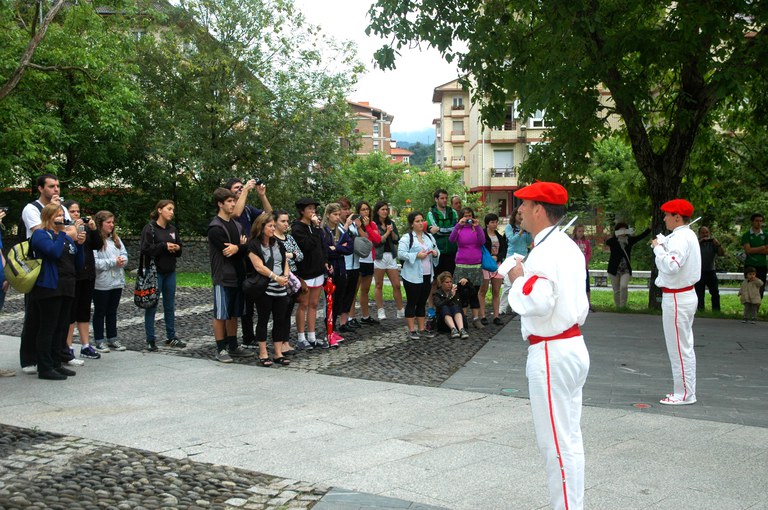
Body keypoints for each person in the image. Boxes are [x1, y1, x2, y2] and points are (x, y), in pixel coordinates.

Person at [505, 181, 589, 510]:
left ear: (539, 209)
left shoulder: (545, 251)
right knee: (568, 439)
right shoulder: (566, 246)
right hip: (569, 345)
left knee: (556, 444)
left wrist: (517, 277)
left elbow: (537, 300)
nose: (520, 210)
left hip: (552, 350)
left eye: (524, 204)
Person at [19, 173, 73, 374]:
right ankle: (31, 360)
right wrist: (63, 230)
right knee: (36, 319)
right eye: (51, 186)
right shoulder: (31, 209)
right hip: (41, 274)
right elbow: (44, 233)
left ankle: (54, 361)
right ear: (41, 188)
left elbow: (73, 233)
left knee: (59, 323)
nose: (56, 190)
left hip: (62, 275)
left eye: (58, 186)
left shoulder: (63, 208)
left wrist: (65, 228)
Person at [28, 203, 86, 380]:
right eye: (57, 215)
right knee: (48, 327)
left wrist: (81, 245)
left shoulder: (65, 238)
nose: (61, 218)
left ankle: (55, 362)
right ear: (47, 217)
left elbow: (78, 262)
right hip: (49, 287)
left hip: (67, 286)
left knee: (61, 327)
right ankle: (44, 367)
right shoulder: (40, 235)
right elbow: (53, 253)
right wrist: (62, 233)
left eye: (62, 215)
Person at [652, 198, 701, 406]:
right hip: (683, 295)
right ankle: (686, 391)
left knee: (679, 348)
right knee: (684, 346)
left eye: (667, 215)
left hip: (678, 296)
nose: (664, 218)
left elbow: (672, 265)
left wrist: (658, 248)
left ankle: (684, 393)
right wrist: (665, 244)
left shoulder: (682, 238)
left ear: (677, 217)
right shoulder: (685, 235)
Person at [208, 188, 253, 363]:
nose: (233, 204)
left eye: (234, 201)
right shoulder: (215, 227)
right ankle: (221, 348)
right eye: (229, 201)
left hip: (238, 276)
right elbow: (227, 251)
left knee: (234, 313)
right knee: (221, 314)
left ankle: (233, 345)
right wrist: (238, 248)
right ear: (220, 204)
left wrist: (239, 248)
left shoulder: (237, 225)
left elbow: (246, 246)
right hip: (223, 276)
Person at [225, 177, 271, 348]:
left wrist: (262, 196)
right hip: (237, 258)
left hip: (250, 254)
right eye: (236, 187)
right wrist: (244, 190)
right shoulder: (230, 208)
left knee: (252, 296)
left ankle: (249, 336)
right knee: (242, 300)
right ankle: (242, 337)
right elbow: (235, 213)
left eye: (240, 187)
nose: (240, 189)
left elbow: (269, 215)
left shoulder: (248, 209)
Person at [247, 212, 292, 366]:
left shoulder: (277, 243)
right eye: (270, 226)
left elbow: (284, 260)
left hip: (280, 287)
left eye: (274, 225)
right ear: (261, 227)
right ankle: (263, 352)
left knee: (280, 320)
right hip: (265, 288)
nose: (274, 228)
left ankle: (278, 353)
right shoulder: (253, 244)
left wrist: (285, 276)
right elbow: (259, 266)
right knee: (263, 319)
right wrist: (275, 277)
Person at [140, 200, 184, 352]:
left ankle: (171, 337)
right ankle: (150, 339)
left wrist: (176, 247)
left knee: (169, 305)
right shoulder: (150, 228)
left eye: (173, 209)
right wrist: (164, 246)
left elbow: (180, 250)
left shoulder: (172, 229)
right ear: (159, 210)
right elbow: (145, 249)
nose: (172, 212)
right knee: (151, 305)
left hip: (170, 272)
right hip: (155, 273)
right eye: (169, 209)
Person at [62, 200, 102, 361]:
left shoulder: (85, 229)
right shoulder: (64, 231)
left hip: (88, 274)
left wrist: (93, 229)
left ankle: (86, 345)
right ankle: (68, 345)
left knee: (84, 310)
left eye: (78, 211)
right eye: (72, 212)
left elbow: (98, 245)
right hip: (73, 275)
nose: (76, 215)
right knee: (71, 312)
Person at [292, 197, 330, 350]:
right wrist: (315, 228)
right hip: (305, 272)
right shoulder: (297, 228)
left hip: (318, 270)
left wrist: (326, 261)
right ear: (302, 211)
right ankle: (301, 337)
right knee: (303, 304)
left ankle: (312, 336)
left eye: (314, 208)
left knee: (314, 304)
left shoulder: (316, 228)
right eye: (309, 209)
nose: (313, 211)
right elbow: (307, 246)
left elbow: (322, 245)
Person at [397, 211, 440, 339]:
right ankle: (411, 329)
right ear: (412, 224)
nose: (421, 223)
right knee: (412, 301)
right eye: (417, 221)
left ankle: (421, 328)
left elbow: (436, 249)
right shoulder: (407, 238)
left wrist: (435, 253)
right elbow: (400, 254)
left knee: (422, 302)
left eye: (422, 220)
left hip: (427, 274)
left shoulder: (429, 237)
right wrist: (416, 255)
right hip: (412, 275)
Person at [92, 211, 129, 353]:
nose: (111, 225)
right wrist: (113, 261)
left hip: (117, 281)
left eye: (113, 222)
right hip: (102, 282)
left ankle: (113, 337)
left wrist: (122, 261)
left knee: (112, 311)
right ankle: (99, 340)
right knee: (100, 311)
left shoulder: (116, 239)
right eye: (108, 222)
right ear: (100, 224)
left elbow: (124, 254)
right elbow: (96, 263)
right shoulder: (96, 241)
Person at [321, 203, 353, 346]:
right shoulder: (322, 230)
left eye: (339, 215)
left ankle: (333, 329)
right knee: (330, 300)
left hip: (341, 267)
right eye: (335, 215)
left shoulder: (340, 228)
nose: (337, 217)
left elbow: (350, 247)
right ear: (328, 215)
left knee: (339, 299)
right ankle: (328, 331)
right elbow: (325, 250)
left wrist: (337, 248)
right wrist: (338, 249)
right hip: (330, 268)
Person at [449, 207, 486, 328]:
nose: (468, 218)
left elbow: (482, 241)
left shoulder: (476, 228)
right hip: (461, 264)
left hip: (475, 264)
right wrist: (458, 226)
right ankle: (463, 319)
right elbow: (451, 239)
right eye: (465, 216)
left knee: (474, 293)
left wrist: (478, 227)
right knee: (462, 293)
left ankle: (476, 318)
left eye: (469, 215)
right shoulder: (459, 229)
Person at [274, 209, 304, 355]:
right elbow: (275, 257)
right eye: (282, 221)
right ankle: (279, 343)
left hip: (293, 278)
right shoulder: (272, 239)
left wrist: (289, 254)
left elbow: (300, 256)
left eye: (287, 221)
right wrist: (290, 255)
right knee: (280, 312)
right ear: (274, 222)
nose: (286, 224)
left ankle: (286, 341)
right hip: (279, 277)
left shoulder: (290, 239)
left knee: (288, 311)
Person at [348, 200, 382, 326]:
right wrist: (359, 227)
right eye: (362, 209)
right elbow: (364, 240)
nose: (365, 212)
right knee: (354, 290)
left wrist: (367, 226)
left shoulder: (372, 224)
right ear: (358, 211)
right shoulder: (353, 224)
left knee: (365, 290)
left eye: (367, 209)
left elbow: (376, 240)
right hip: (358, 260)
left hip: (369, 259)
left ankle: (365, 316)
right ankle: (350, 317)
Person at [605, 222, 651, 308]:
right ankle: (618, 307)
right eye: (620, 230)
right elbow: (607, 242)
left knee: (623, 286)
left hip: (625, 269)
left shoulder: (629, 241)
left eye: (624, 230)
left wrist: (649, 229)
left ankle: (623, 305)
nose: (622, 232)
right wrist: (617, 236)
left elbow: (640, 237)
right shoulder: (613, 242)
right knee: (616, 290)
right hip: (614, 269)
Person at [372, 201, 405, 320]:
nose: (385, 211)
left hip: (390, 255)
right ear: (377, 211)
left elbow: (397, 240)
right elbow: (377, 241)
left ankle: (400, 309)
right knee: (379, 284)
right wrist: (386, 233)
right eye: (382, 209)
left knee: (396, 284)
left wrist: (392, 233)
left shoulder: (391, 223)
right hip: (379, 256)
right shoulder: (373, 224)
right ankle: (380, 310)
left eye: (386, 209)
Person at [427, 189, 458, 309]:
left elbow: (455, 229)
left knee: (449, 280)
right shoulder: (431, 213)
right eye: (442, 198)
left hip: (451, 251)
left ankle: (449, 305)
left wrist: (439, 229)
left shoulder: (453, 212)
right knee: (434, 281)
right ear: (436, 199)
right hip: (437, 252)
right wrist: (446, 230)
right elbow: (434, 232)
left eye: (446, 198)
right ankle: (431, 307)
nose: (444, 200)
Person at [500, 206, 533, 316]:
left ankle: (517, 307)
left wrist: (528, 232)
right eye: (518, 214)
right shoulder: (510, 227)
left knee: (521, 282)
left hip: (523, 257)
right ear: (514, 216)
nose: (520, 217)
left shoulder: (526, 228)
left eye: (522, 215)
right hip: (512, 257)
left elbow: (528, 242)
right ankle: (502, 308)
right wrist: (520, 232)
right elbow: (512, 241)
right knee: (508, 284)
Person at [335, 198, 362, 335]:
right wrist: (346, 225)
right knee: (340, 293)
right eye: (344, 209)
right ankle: (333, 322)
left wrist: (357, 226)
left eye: (348, 209)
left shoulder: (352, 225)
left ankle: (344, 322)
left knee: (350, 293)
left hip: (355, 263)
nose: (347, 211)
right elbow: (338, 242)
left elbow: (354, 241)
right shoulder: (336, 226)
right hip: (343, 264)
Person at [478, 213, 507, 325]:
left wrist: (498, 257)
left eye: (496, 222)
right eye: (492, 222)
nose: (495, 224)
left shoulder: (499, 236)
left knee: (496, 290)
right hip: (485, 264)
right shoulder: (483, 236)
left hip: (497, 264)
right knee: (483, 290)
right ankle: (483, 315)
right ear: (487, 223)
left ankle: (496, 316)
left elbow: (503, 250)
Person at [695, 226, 724, 312]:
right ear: (699, 234)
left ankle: (716, 311)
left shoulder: (712, 243)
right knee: (699, 293)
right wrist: (699, 243)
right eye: (703, 233)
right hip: (699, 272)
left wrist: (718, 245)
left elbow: (721, 254)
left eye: (706, 233)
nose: (705, 235)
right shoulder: (696, 243)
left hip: (711, 271)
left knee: (715, 292)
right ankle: (700, 310)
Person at [432, 271, 469, 339]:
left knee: (455, 306)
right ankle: (453, 329)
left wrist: (467, 283)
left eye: (450, 282)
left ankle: (461, 329)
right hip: (443, 323)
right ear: (441, 283)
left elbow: (471, 293)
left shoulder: (456, 290)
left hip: (458, 319)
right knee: (444, 307)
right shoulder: (437, 294)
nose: (449, 284)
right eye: (447, 282)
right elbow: (438, 305)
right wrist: (450, 296)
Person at [741, 213, 767, 299]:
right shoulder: (746, 235)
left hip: (762, 265)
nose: (759, 223)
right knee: (749, 288)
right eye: (756, 221)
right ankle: (748, 310)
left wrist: (753, 250)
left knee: (760, 288)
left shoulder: (766, 235)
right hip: (750, 265)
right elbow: (748, 250)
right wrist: (762, 247)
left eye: (760, 221)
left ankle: (756, 310)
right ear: (752, 222)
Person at [571, 224, 594, 312]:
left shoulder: (586, 242)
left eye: (582, 231)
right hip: (574, 268)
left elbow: (588, 253)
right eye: (579, 231)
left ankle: (588, 304)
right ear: (575, 232)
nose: (581, 233)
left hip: (584, 267)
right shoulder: (572, 242)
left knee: (586, 286)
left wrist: (585, 262)